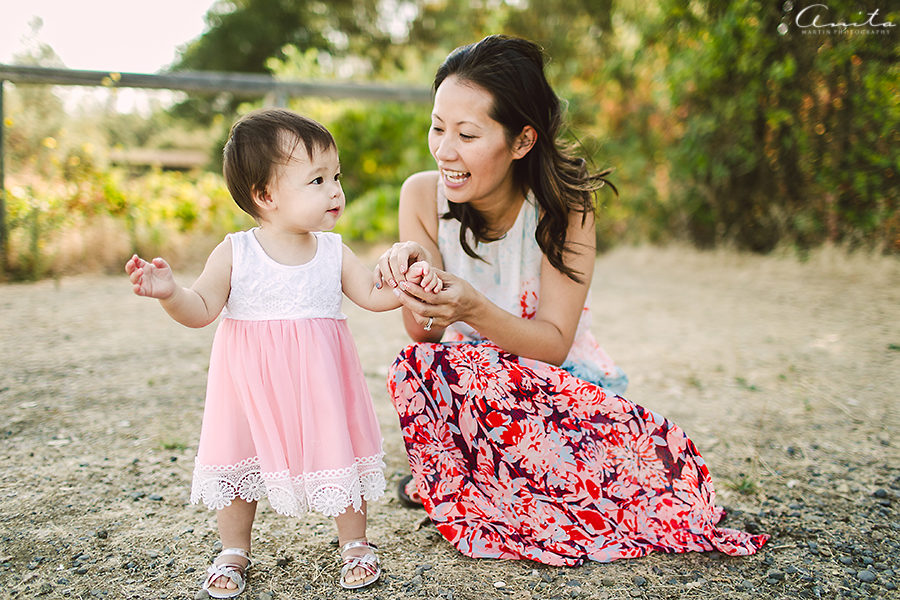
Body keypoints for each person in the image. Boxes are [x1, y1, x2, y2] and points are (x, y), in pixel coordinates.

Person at [374, 35, 768, 566]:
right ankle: (486, 486)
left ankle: (485, 488)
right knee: (421, 364)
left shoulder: (566, 207)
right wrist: (415, 281)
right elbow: (423, 334)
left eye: (467, 134)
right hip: (473, 395)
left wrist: (472, 309)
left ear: (521, 141)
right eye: (437, 127)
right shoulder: (420, 195)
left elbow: (554, 345)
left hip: (556, 392)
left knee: (645, 483)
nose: (445, 150)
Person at [125, 108, 440, 596]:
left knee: (339, 451)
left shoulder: (334, 252)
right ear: (265, 195)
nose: (335, 190)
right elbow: (202, 307)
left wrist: (406, 284)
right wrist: (169, 292)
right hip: (250, 385)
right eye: (317, 179)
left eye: (336, 176)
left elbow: (374, 297)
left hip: (319, 381)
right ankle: (233, 550)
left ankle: (354, 543)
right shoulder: (236, 251)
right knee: (237, 461)